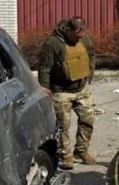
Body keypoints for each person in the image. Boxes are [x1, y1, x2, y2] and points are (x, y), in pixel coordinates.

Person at [38, 16, 96, 170]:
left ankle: (82, 151)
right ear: (69, 30)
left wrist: (89, 76)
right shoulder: (53, 43)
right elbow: (44, 67)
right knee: (63, 126)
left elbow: (91, 56)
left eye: (82, 32)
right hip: (61, 91)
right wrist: (45, 88)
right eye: (77, 33)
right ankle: (66, 155)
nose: (80, 36)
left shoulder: (85, 39)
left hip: (82, 89)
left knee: (88, 120)